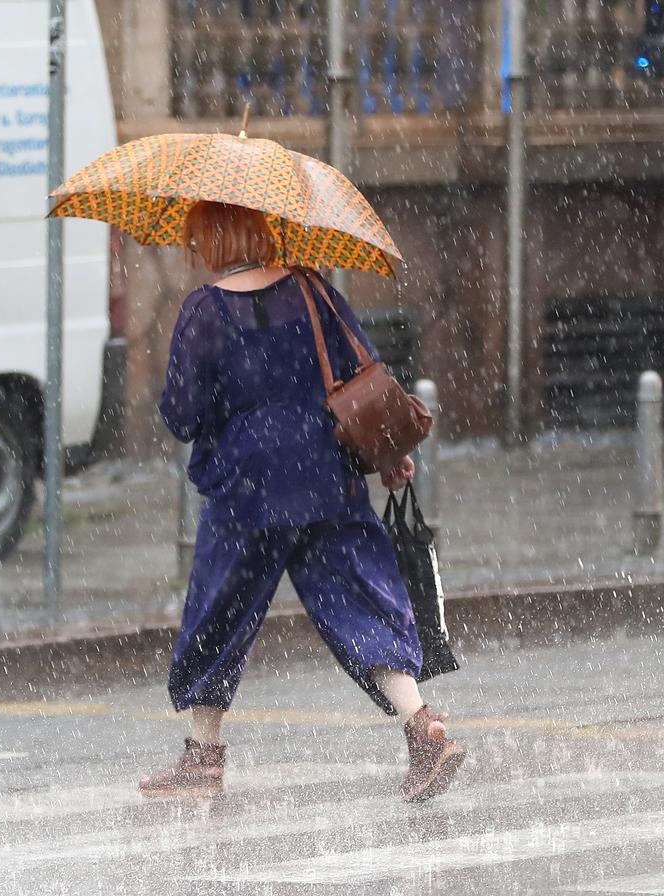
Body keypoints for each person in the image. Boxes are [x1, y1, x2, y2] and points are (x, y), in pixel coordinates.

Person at [138, 199, 465, 803]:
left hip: (247, 490)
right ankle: (423, 726)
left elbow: (182, 417)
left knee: (219, 614)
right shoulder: (315, 292)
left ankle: (204, 757)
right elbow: (362, 375)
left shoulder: (204, 314)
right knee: (361, 602)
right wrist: (389, 454)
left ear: (210, 237)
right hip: (326, 477)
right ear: (261, 228)